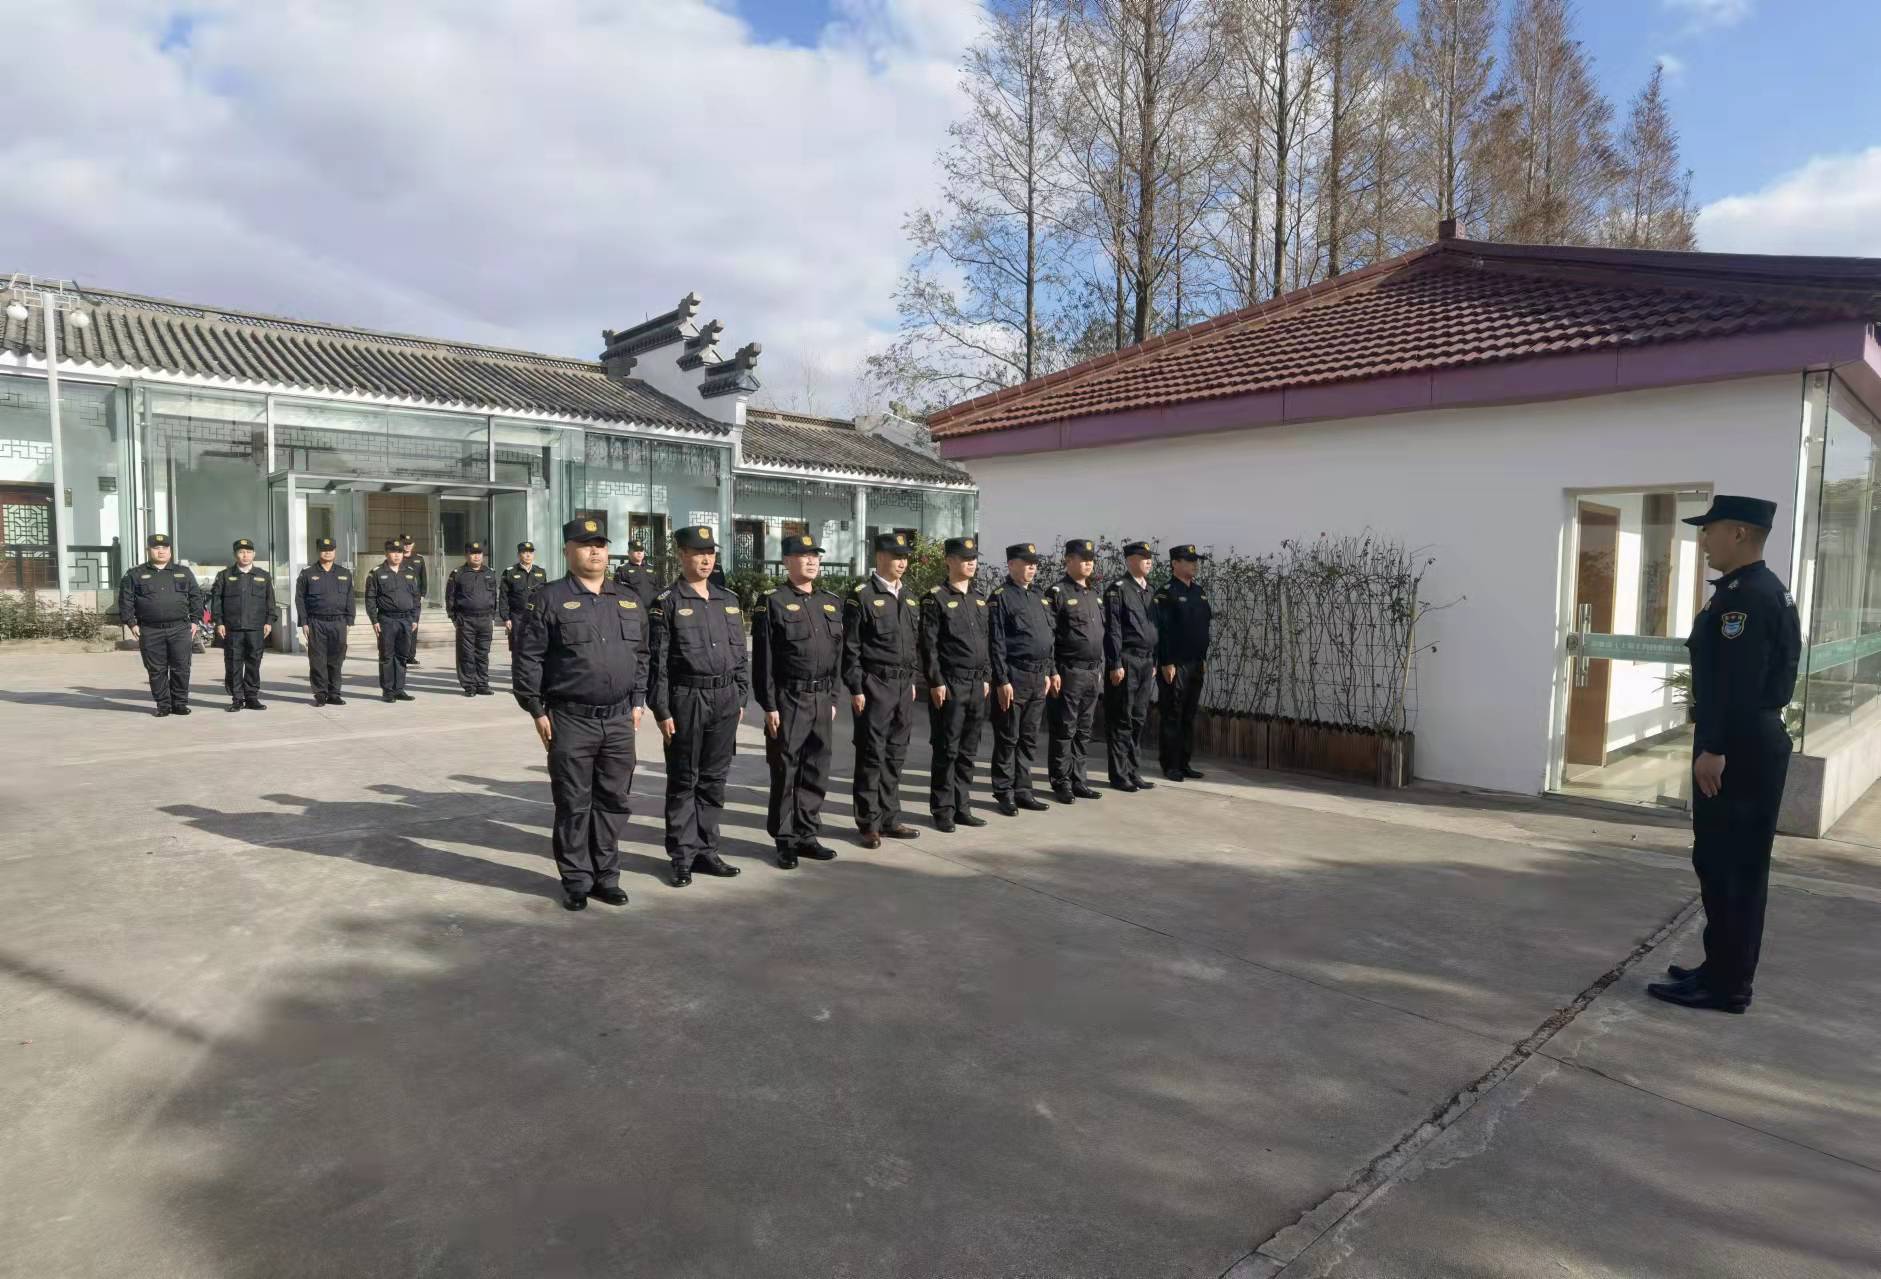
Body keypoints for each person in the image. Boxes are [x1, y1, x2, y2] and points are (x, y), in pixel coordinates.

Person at [1647, 496, 1801, 1015]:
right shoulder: (1756, 589)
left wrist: (1714, 747)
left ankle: (1727, 986)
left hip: (1738, 746)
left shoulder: (1747, 598)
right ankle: (1720, 969)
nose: (1703, 540)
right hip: (1749, 739)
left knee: (1730, 865)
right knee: (1723, 862)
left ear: (1738, 532)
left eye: (1709, 529)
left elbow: (1737, 684)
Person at [511, 517, 646, 911]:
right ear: (567, 550)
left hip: (619, 720)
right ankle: (576, 879)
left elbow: (642, 655)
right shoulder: (548, 598)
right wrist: (536, 710)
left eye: (600, 544)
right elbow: (528, 658)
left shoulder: (627, 599)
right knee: (574, 803)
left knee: (613, 801)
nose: (595, 551)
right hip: (571, 719)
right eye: (586, 544)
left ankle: (606, 876)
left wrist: (639, 699)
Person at [648, 525, 749, 886]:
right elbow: (657, 662)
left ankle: (707, 850)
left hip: (724, 699)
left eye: (710, 553)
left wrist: (741, 695)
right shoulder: (667, 602)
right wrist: (662, 710)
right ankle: (682, 855)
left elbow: (740, 653)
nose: (706, 560)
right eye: (698, 553)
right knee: (684, 779)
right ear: (681, 555)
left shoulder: (728, 600)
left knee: (713, 779)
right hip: (686, 698)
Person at [750, 532, 844, 868]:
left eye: (815, 556)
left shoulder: (830, 602)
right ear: (787, 561)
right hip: (789, 697)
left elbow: (838, 656)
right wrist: (769, 705)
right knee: (785, 769)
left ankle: (807, 834)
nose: (812, 561)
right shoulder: (772, 602)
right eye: (804, 556)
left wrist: (834, 697)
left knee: (816, 768)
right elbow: (763, 661)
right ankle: (785, 840)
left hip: (822, 696)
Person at [845, 531, 923, 848]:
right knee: (871, 755)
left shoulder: (910, 597)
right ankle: (869, 823)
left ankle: (890, 819)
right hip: (875, 685)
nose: (902, 563)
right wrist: (856, 687)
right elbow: (851, 648)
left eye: (905, 558)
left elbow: (914, 646)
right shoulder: (862, 596)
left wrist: (912, 680)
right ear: (880, 557)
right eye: (896, 557)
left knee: (895, 755)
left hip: (903, 686)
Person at [920, 537, 991, 831]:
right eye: (964, 558)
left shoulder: (979, 599)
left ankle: (962, 806)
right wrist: (935, 681)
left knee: (968, 750)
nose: (971, 563)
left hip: (976, 684)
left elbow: (986, 642)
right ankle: (943, 809)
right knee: (947, 748)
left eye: (973, 558)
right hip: (951, 683)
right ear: (949, 561)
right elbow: (929, 645)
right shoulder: (934, 598)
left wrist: (986, 676)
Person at [987, 542, 1056, 817]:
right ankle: (1004, 791)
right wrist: (1002, 680)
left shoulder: (1039, 596)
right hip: (1014, 675)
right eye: (1026, 563)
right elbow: (996, 642)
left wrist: (1050, 671)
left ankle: (1023, 790)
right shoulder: (1001, 597)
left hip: (1038, 676)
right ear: (1011, 564)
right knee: (1008, 737)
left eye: (1034, 564)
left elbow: (1048, 638)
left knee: (1028, 737)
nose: (1032, 568)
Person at [1045, 539, 1106, 804]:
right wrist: (1052, 670)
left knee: (1083, 730)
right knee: (1064, 729)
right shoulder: (1057, 592)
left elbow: (1099, 634)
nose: (1088, 563)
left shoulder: (1093, 594)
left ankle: (1079, 779)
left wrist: (1100, 666)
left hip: (1092, 672)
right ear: (1068, 560)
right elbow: (1049, 636)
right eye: (1083, 559)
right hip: (1068, 672)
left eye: (1091, 559)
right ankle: (1061, 781)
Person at [118, 533, 204, 717]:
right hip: (150, 630)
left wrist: (195, 620)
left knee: (181, 668)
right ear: (148, 550)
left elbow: (196, 596)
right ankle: (163, 705)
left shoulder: (184, 572)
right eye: (156, 548)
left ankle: (179, 704)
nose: (161, 551)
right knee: (156, 670)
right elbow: (126, 600)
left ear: (170, 550)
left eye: (165, 548)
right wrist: (131, 623)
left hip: (180, 628)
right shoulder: (135, 574)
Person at [1103, 540, 1161, 792]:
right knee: (1122, 719)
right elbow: (1113, 630)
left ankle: (1133, 771)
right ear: (1130, 560)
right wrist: (1115, 662)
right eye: (1143, 557)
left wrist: (1155, 660)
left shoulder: (1150, 591)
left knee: (1138, 718)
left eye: (1150, 557)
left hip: (1146, 662)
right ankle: (1119, 774)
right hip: (1126, 660)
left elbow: (1154, 629)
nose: (1148, 561)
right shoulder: (1118, 590)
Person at [1156, 544, 1213, 781]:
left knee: (1188, 715)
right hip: (1175, 664)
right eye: (1189, 561)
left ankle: (1184, 762)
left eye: (1195, 561)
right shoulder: (1166, 593)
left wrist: (1202, 658)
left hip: (1195, 663)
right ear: (1175, 564)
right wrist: (1166, 661)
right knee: (1173, 714)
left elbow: (1203, 626)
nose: (1194, 565)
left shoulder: (1199, 592)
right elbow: (1162, 630)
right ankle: (1170, 765)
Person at [208, 537, 276, 712]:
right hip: (233, 628)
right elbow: (217, 601)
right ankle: (237, 698)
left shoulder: (263, 575)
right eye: (241, 552)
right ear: (235, 554)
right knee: (233, 663)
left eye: (248, 552)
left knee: (254, 662)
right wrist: (219, 622)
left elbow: (270, 601)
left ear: (254, 554)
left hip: (256, 628)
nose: (245, 555)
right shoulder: (224, 576)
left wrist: (269, 621)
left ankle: (252, 697)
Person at [296, 536, 355, 706]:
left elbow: (350, 598)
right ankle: (320, 694)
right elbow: (300, 599)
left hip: (339, 622)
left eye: (330, 550)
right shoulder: (307, 573)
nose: (327, 553)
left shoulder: (344, 573)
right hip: (316, 622)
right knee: (317, 660)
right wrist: (304, 622)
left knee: (337, 659)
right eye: (324, 550)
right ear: (318, 551)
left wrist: (349, 621)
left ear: (335, 551)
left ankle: (334, 693)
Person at [365, 539, 422, 703]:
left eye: (400, 552)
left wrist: (415, 618)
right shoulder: (376, 573)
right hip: (387, 620)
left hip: (406, 619)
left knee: (402, 655)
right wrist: (374, 620)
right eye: (393, 552)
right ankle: (388, 691)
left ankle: (399, 689)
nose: (397, 555)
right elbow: (370, 598)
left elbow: (416, 598)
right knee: (387, 655)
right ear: (386, 553)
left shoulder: (410, 572)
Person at [445, 541, 499, 696]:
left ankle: (482, 684)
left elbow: (493, 595)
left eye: (479, 553)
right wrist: (454, 618)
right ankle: (469, 686)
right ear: (466, 555)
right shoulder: (458, 573)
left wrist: (492, 615)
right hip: (466, 619)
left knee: (483, 653)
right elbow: (450, 597)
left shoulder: (489, 572)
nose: (476, 556)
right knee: (466, 654)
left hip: (485, 619)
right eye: (473, 553)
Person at [500, 542, 549, 654]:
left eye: (530, 552)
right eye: (524, 552)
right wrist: (506, 618)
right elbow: (503, 596)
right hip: (517, 616)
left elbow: (545, 595)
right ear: (518, 555)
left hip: (536, 616)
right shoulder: (510, 572)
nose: (528, 555)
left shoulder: (541, 572)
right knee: (518, 648)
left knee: (537, 647)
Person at [398, 534, 428, 666]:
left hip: (415, 598)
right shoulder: (398, 557)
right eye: (405, 543)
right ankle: (401, 654)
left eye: (409, 543)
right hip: (401, 596)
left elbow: (423, 577)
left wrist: (423, 594)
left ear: (413, 544)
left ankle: (411, 655)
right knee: (401, 627)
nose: (407, 546)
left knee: (414, 626)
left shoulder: (419, 559)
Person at [613, 538, 660, 610]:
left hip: (651, 609)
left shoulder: (652, 568)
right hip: (632, 610)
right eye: (636, 550)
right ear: (629, 552)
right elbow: (617, 591)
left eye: (641, 550)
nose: (639, 553)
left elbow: (658, 588)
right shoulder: (623, 569)